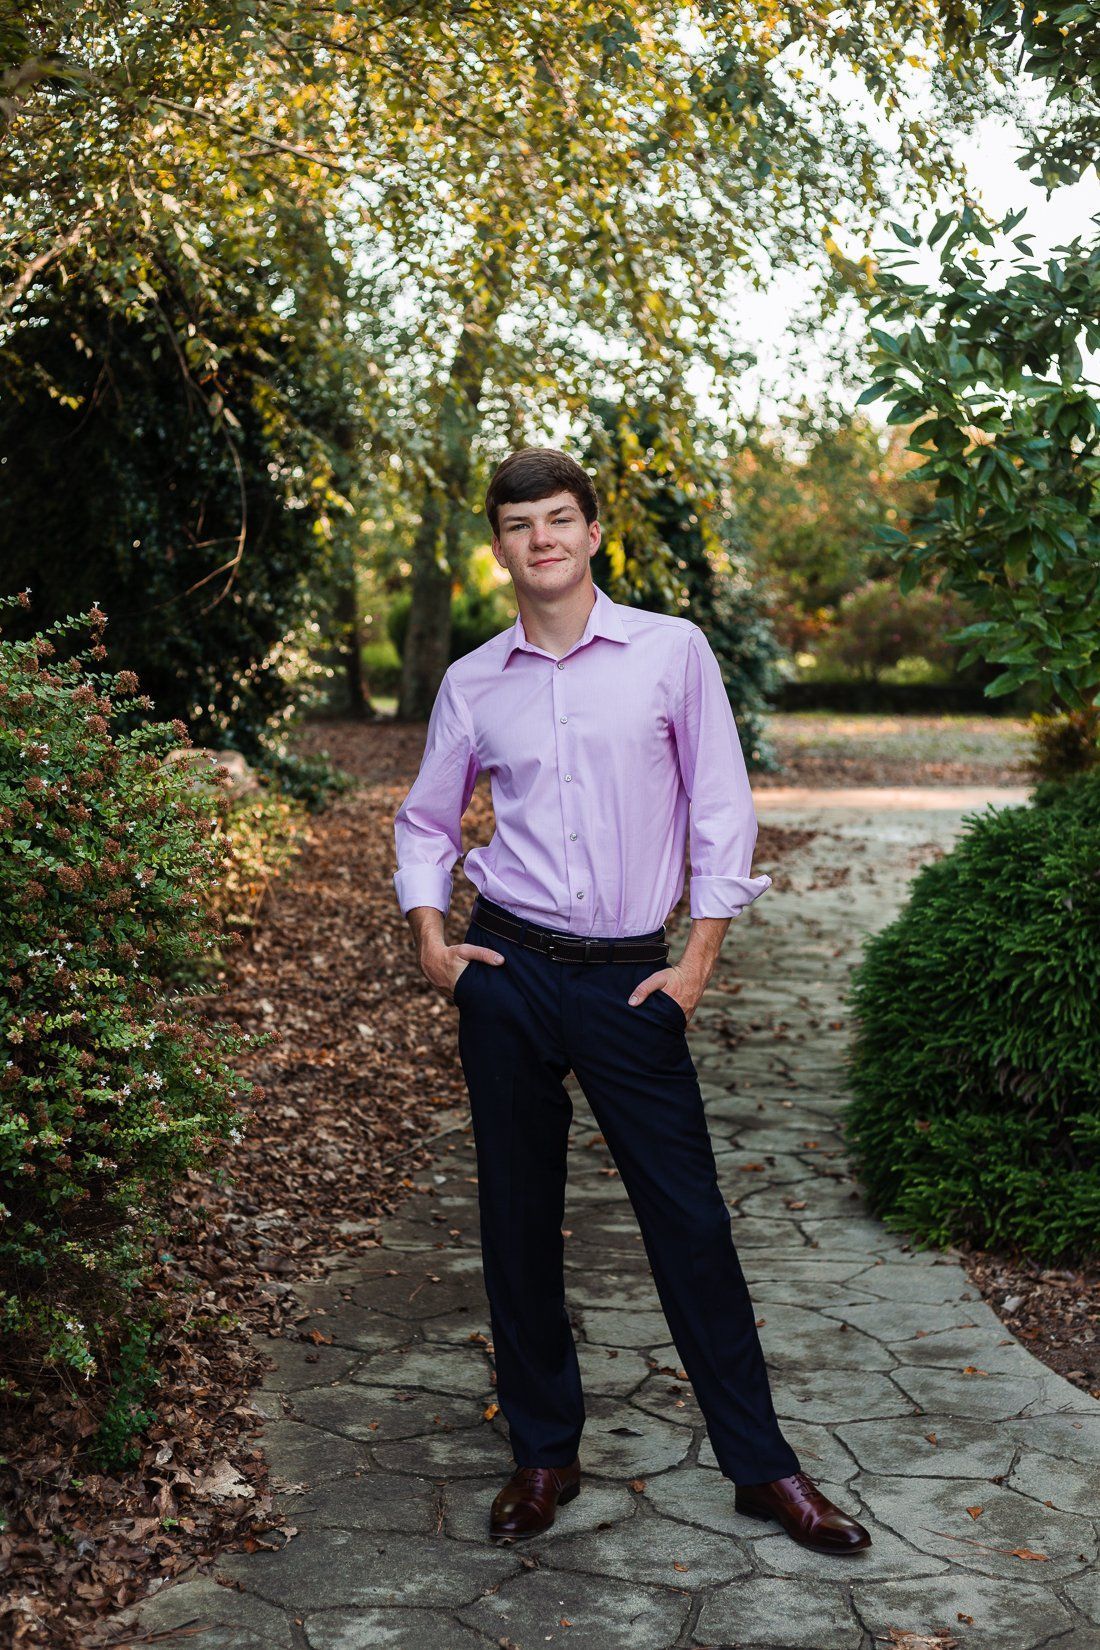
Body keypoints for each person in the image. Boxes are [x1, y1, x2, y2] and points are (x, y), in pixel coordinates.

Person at [392, 446, 870, 1555]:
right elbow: (427, 822)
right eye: (519, 524)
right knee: (515, 1222)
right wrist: (431, 939)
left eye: (559, 518)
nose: (540, 539)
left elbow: (719, 804)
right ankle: (542, 1453)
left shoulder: (670, 652)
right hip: (506, 971)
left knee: (690, 1226)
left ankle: (762, 1468)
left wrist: (698, 958)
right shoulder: (473, 681)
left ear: (593, 531)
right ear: (499, 543)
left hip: (629, 975)